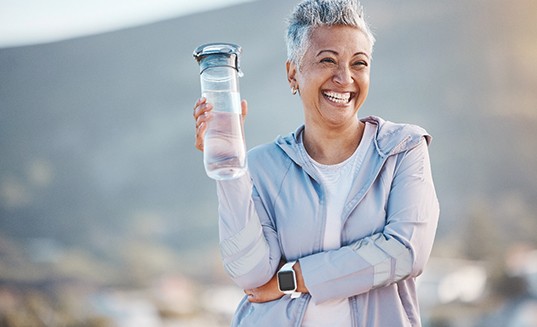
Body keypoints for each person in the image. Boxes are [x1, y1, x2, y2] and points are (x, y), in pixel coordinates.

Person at [192, 0, 440, 326]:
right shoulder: (262, 165)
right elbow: (250, 272)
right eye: (328, 60)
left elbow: (403, 253)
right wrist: (229, 167)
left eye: (359, 63)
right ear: (293, 72)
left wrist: (294, 278)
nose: (344, 77)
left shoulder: (401, 149)